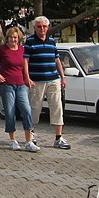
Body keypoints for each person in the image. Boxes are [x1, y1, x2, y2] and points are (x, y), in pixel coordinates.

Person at [0, 27, 39, 152]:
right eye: (10, 37)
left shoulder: (22, 50)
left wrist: (28, 79)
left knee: (26, 110)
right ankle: (13, 140)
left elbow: (25, 67)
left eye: (15, 37)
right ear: (7, 38)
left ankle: (29, 141)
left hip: (21, 85)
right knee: (10, 112)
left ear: (19, 38)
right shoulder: (2, 50)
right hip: (7, 85)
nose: (13, 40)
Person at [25, 16, 71, 150]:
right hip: (37, 81)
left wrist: (62, 76)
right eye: (39, 26)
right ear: (34, 28)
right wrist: (27, 77)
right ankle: (31, 134)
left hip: (53, 79)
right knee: (35, 108)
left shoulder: (52, 42)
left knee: (57, 107)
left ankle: (58, 137)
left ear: (48, 27)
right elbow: (25, 61)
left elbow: (57, 60)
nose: (42, 29)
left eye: (44, 26)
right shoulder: (30, 42)